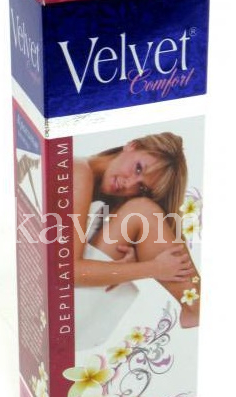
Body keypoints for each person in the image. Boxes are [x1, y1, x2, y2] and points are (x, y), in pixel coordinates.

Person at [73, 132, 200, 331]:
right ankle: (198, 307)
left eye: (141, 188)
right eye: (138, 168)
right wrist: (153, 268)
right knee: (142, 211)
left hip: (61, 306)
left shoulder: (100, 188)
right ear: (132, 145)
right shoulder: (79, 172)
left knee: (141, 210)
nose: (129, 184)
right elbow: (67, 272)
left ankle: (198, 307)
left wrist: (125, 264)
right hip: (56, 307)